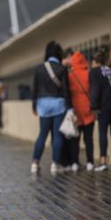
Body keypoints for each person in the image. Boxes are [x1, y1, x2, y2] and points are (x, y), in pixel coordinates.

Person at [30, 41, 70, 175]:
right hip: (58, 104)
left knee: (42, 134)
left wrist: (33, 105)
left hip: (43, 105)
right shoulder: (62, 69)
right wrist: (70, 107)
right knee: (57, 135)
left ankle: (35, 163)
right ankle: (55, 164)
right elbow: (66, 90)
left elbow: (35, 89)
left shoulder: (39, 68)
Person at [90, 50, 111, 171]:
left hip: (104, 106)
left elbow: (95, 89)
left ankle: (103, 160)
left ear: (95, 62)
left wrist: (93, 106)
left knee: (103, 132)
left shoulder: (95, 72)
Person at [66, 50, 96, 171]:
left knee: (75, 139)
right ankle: (90, 162)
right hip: (88, 109)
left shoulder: (70, 76)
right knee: (88, 139)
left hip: (76, 111)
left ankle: (74, 162)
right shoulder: (88, 74)